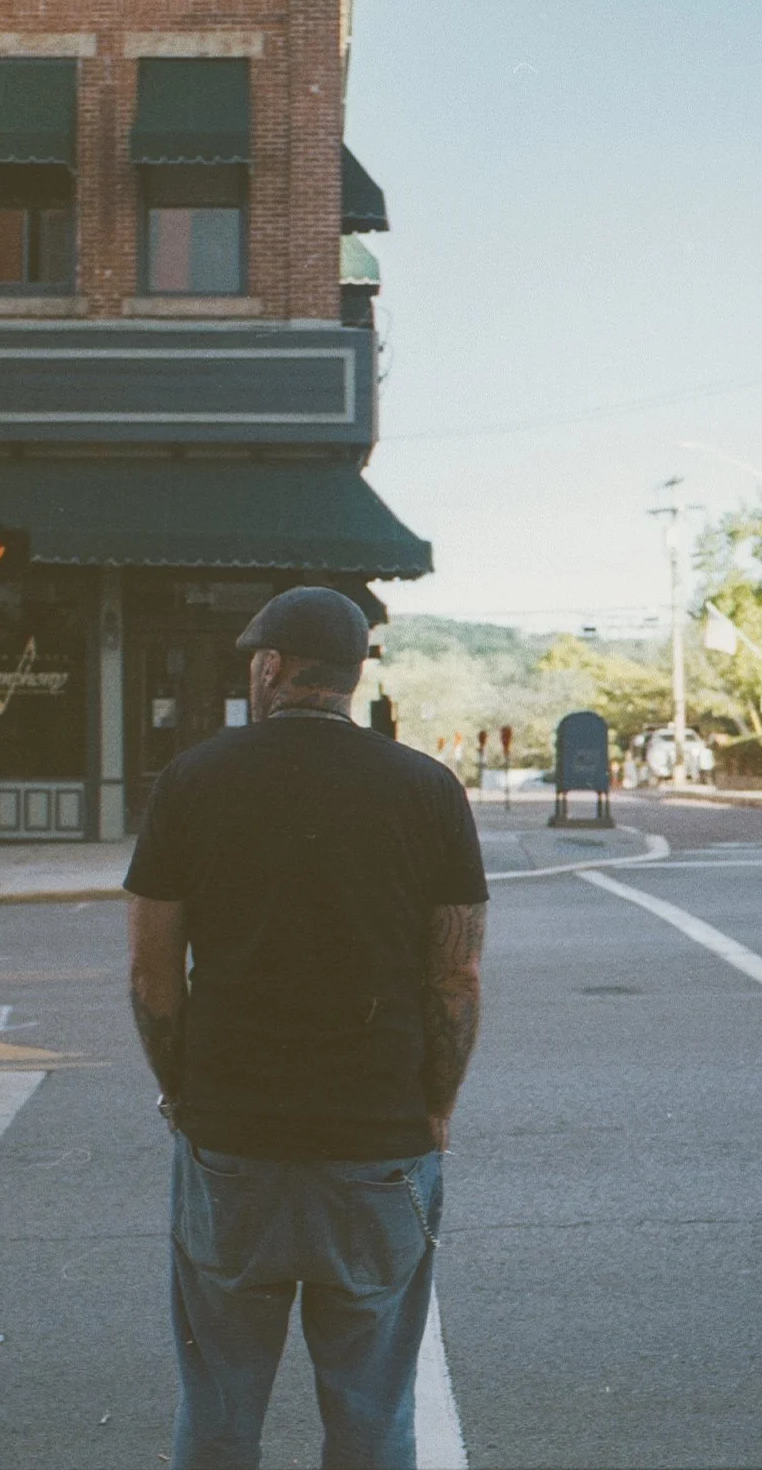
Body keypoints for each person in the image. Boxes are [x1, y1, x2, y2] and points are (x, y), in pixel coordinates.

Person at [125, 585, 489, 1470]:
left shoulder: (191, 781)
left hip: (231, 1140)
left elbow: (151, 972)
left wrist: (181, 1087)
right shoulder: (428, 790)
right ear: (355, 678)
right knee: (371, 1414)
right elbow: (455, 977)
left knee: (217, 1412)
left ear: (271, 668)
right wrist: (434, 1105)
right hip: (376, 1140)